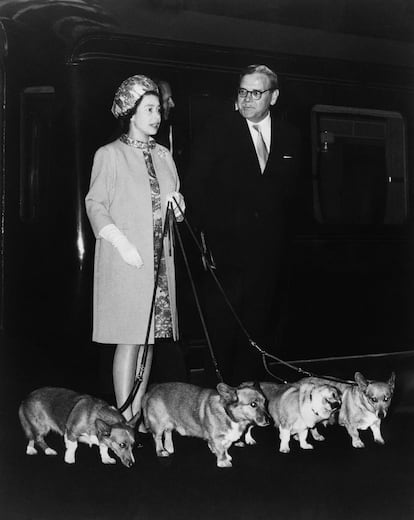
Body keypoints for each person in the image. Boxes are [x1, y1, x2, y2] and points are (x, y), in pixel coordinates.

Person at [184, 64, 303, 386]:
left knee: (260, 332)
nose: (248, 99)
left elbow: (293, 200)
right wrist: (206, 244)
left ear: (273, 97)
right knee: (221, 334)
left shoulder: (291, 137)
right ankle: (216, 404)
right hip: (224, 256)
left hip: (269, 259)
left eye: (256, 92)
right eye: (242, 91)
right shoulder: (217, 131)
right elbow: (194, 189)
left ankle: (252, 400)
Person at [85, 75, 186, 420]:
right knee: (129, 338)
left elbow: (172, 207)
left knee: (149, 340)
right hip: (128, 261)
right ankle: (123, 417)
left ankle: (137, 415)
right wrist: (119, 241)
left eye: (159, 109)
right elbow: (95, 204)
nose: (157, 116)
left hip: (159, 264)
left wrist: (178, 208)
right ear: (131, 112)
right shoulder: (109, 155)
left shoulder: (164, 155)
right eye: (149, 109)